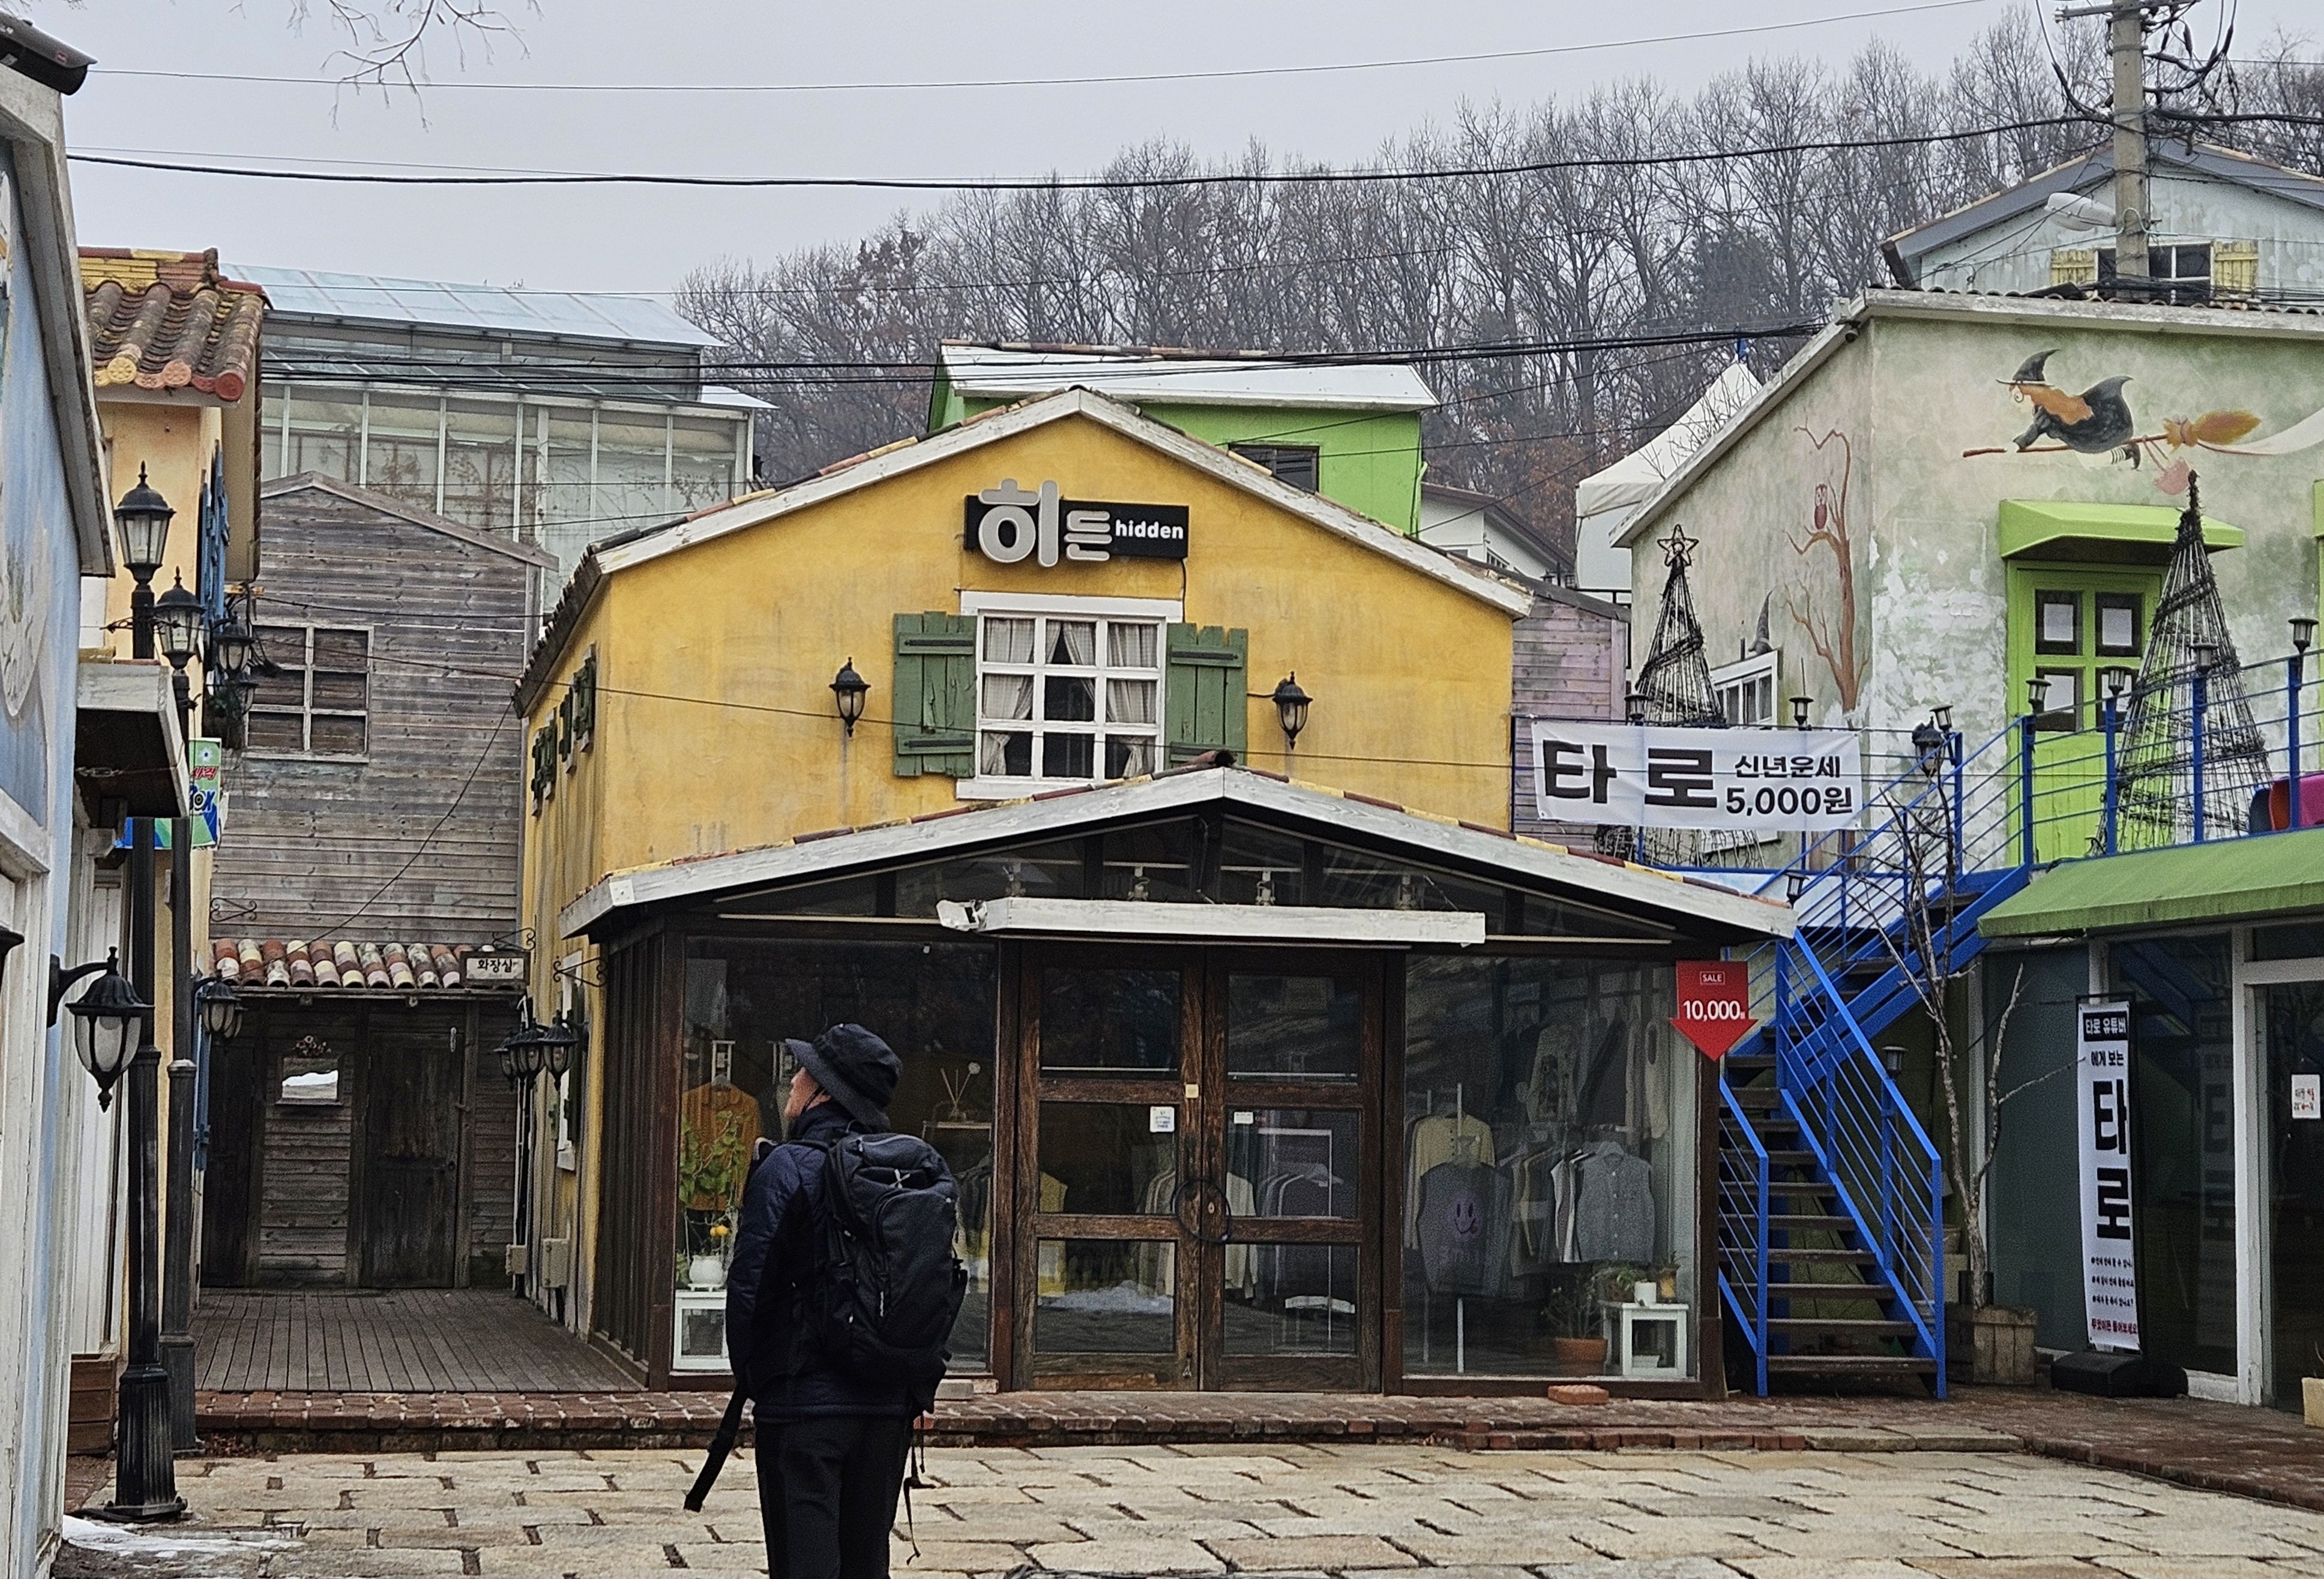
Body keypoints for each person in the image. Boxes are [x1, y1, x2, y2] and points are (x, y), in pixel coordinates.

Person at [727, 1023, 915, 1579]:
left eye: (803, 1071)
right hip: (886, 1409)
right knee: (867, 1566)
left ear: (824, 1092)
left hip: (803, 1408)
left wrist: (761, 1381)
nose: (792, 1078)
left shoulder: (787, 1167)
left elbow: (749, 1290)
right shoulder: (907, 1170)